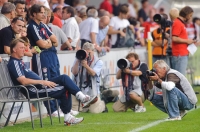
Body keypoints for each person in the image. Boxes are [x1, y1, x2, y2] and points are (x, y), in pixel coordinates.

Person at [7, 38, 96, 125]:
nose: (24, 50)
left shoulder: (18, 61)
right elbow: (23, 81)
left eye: (24, 47)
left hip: (40, 85)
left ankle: (81, 97)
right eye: (21, 48)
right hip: (34, 90)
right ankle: (69, 117)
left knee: (64, 78)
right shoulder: (14, 63)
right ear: (14, 49)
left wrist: (42, 82)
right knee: (64, 89)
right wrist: (42, 82)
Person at [27, 4, 60, 117]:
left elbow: (55, 40)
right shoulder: (32, 26)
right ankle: (51, 110)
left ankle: (58, 107)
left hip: (51, 55)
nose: (44, 14)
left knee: (56, 79)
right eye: (41, 12)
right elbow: (41, 44)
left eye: (44, 12)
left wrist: (48, 43)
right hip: (41, 57)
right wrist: (48, 43)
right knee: (46, 82)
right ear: (34, 14)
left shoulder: (43, 25)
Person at [71, 42, 106, 113]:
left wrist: (86, 66)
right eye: (85, 52)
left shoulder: (98, 62)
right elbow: (74, 72)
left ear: (93, 51)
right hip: (79, 90)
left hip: (92, 92)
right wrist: (78, 60)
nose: (87, 54)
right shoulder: (79, 58)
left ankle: (102, 105)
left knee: (94, 112)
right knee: (76, 111)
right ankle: (85, 106)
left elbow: (93, 73)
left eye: (89, 52)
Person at [171, 6, 196, 75]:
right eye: (190, 15)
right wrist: (187, 41)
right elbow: (174, 38)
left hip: (182, 54)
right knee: (180, 78)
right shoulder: (178, 23)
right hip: (179, 55)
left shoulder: (180, 23)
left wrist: (189, 41)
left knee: (180, 78)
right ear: (187, 14)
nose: (190, 17)